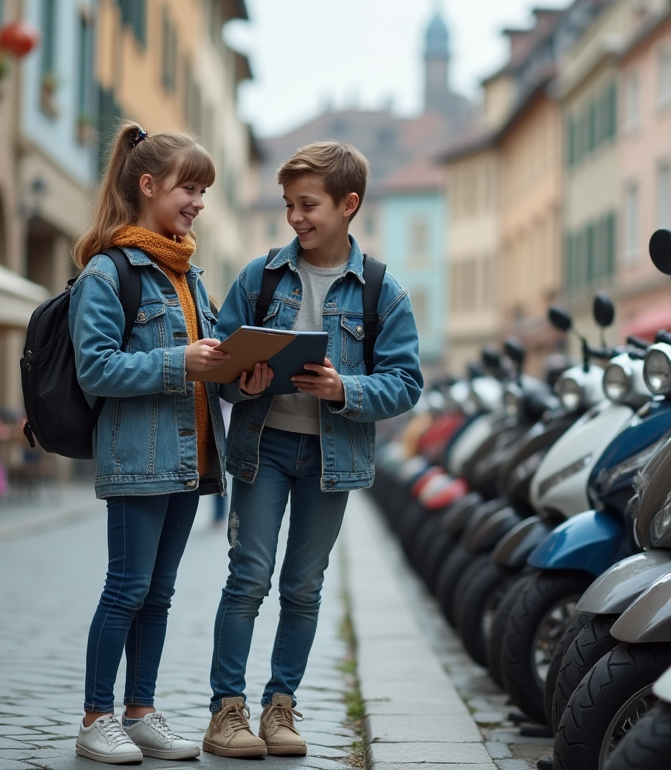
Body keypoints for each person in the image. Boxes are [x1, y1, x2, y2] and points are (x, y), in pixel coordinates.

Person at [205, 141, 423, 758]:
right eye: (288, 205)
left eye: (309, 205)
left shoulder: (383, 291)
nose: (296, 217)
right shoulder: (261, 276)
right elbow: (219, 363)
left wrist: (343, 388)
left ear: (348, 205)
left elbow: (406, 382)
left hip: (330, 460)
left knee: (303, 585)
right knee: (248, 577)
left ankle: (281, 707)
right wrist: (236, 378)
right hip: (264, 446)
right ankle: (226, 711)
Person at [68, 121, 230, 765]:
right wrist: (179, 362)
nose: (197, 202)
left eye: (203, 191)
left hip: (191, 458)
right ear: (148, 185)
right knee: (126, 588)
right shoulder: (110, 272)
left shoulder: (187, 275)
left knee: (159, 593)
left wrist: (238, 364)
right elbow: (96, 368)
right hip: (139, 456)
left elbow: (206, 353)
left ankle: (140, 711)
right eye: (189, 188)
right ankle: (94, 717)